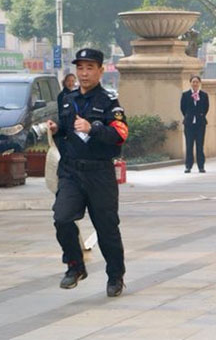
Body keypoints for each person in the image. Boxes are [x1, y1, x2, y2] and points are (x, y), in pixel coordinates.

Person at [46, 48, 129, 297]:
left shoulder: (109, 102)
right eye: (80, 68)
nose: (84, 73)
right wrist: (56, 128)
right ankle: (75, 266)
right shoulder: (67, 99)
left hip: (99, 173)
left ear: (101, 71)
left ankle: (115, 276)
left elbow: (120, 134)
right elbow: (66, 131)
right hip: (71, 172)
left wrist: (93, 128)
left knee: (107, 229)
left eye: (90, 68)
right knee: (62, 218)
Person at [180, 75, 209, 173]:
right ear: (190, 83)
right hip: (189, 124)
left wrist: (200, 115)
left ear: (199, 83)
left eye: (197, 82)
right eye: (193, 82)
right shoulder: (185, 95)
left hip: (200, 124)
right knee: (189, 145)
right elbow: (183, 108)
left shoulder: (204, 95)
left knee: (200, 146)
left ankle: (201, 166)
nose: (195, 84)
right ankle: (188, 166)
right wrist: (189, 116)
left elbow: (206, 108)